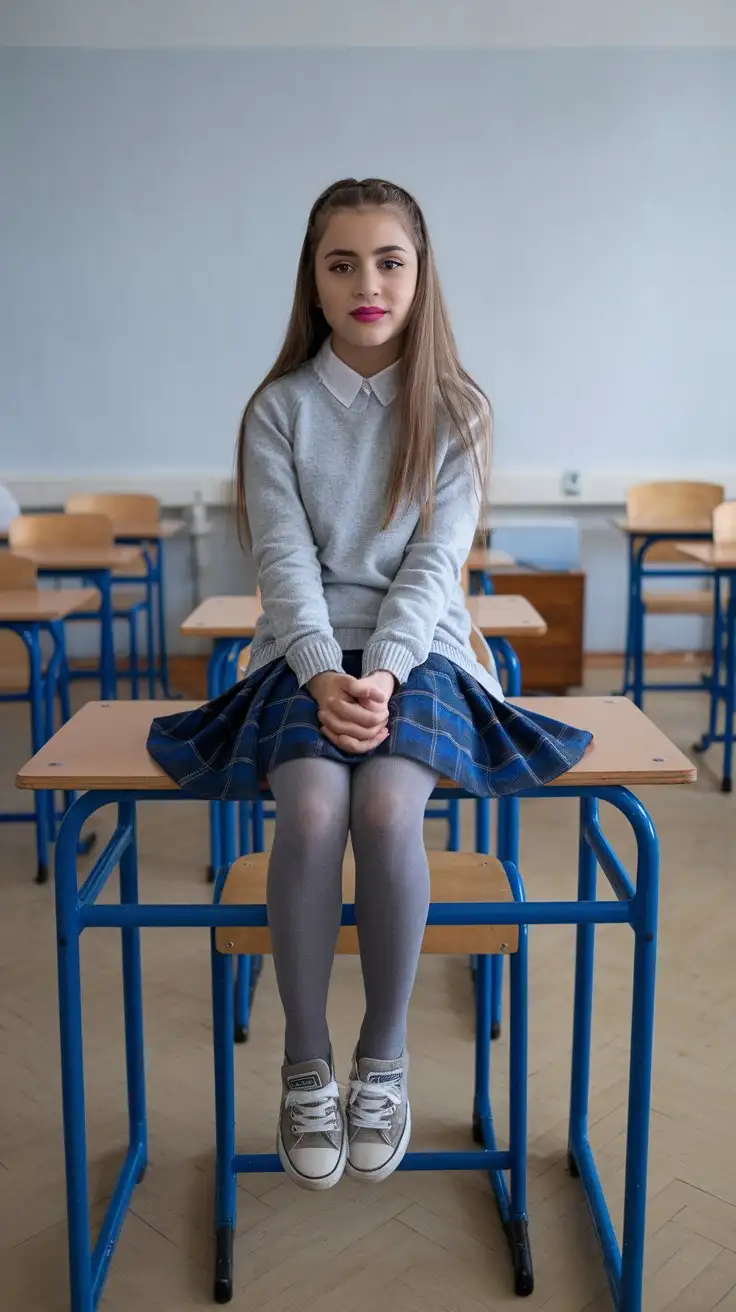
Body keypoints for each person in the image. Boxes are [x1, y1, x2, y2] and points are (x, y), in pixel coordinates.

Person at [148, 178, 591, 1192]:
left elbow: (437, 564)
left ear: (420, 272)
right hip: (303, 650)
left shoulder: (456, 409)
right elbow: (284, 563)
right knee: (308, 813)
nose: (366, 282)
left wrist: (384, 670)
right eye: (341, 262)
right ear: (312, 277)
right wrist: (319, 671)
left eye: (389, 260)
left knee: (388, 810)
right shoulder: (281, 409)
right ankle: (306, 1061)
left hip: (422, 649)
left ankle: (379, 1058)